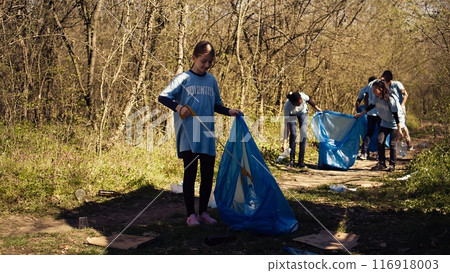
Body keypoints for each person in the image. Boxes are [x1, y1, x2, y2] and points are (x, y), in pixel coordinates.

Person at [158, 41, 242, 226]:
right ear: (194, 57)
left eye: (209, 62)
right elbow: (163, 96)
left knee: (207, 174)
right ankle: (191, 215)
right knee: (190, 174)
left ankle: (203, 212)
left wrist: (229, 111)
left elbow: (216, 104)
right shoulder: (183, 79)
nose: (206, 65)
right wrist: (178, 107)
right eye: (203, 61)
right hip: (188, 134)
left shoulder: (211, 80)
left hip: (207, 134)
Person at [355, 79, 403, 172]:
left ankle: (392, 165)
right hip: (384, 123)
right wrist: (360, 114)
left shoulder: (390, 99)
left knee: (392, 143)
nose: (373, 92)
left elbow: (396, 115)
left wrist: (399, 129)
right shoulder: (376, 98)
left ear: (380, 89)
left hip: (394, 124)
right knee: (380, 141)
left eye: (374, 90)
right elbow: (370, 106)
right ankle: (382, 163)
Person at [281, 91, 322, 170]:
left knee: (303, 133)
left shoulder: (302, 96)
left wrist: (316, 108)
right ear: (293, 103)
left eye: (301, 102)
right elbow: (287, 126)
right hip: (292, 115)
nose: (301, 103)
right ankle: (292, 160)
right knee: (293, 133)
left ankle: (301, 161)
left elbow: (309, 100)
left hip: (303, 113)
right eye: (299, 104)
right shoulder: (287, 107)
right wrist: (284, 142)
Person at [380, 70, 413, 150]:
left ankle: (408, 141)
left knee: (403, 125)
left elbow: (405, 95)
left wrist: (402, 105)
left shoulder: (397, 84)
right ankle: (394, 142)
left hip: (400, 108)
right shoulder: (385, 86)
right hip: (391, 108)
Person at [355, 76, 378, 160]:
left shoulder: (365, 89)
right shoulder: (368, 89)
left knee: (369, 132)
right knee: (377, 132)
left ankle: (364, 152)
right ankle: (375, 152)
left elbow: (358, 101)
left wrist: (359, 111)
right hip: (375, 113)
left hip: (369, 113)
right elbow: (359, 101)